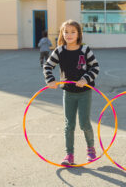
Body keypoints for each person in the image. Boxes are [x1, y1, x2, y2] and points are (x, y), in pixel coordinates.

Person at [43, 19, 100, 165]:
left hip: (84, 92)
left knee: (84, 123)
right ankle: (69, 155)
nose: (69, 35)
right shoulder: (60, 51)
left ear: (78, 34)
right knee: (69, 125)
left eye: (73, 32)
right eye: (66, 32)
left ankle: (91, 148)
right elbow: (48, 66)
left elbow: (95, 67)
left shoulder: (85, 50)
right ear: (62, 33)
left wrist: (85, 79)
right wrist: (50, 79)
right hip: (68, 93)